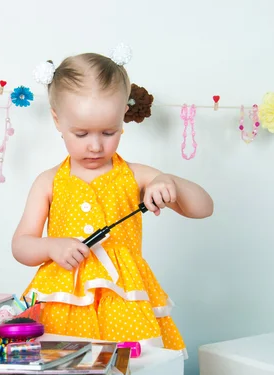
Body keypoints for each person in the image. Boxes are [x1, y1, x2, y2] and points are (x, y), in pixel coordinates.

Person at [11, 47, 213, 356]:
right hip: (63, 301)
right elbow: (22, 245)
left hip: (125, 301)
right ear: (57, 120)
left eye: (109, 132)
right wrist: (52, 246)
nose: (95, 145)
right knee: (61, 370)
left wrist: (168, 181)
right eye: (81, 133)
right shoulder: (49, 181)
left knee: (132, 370)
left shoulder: (136, 175)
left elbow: (204, 207)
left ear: (123, 119)